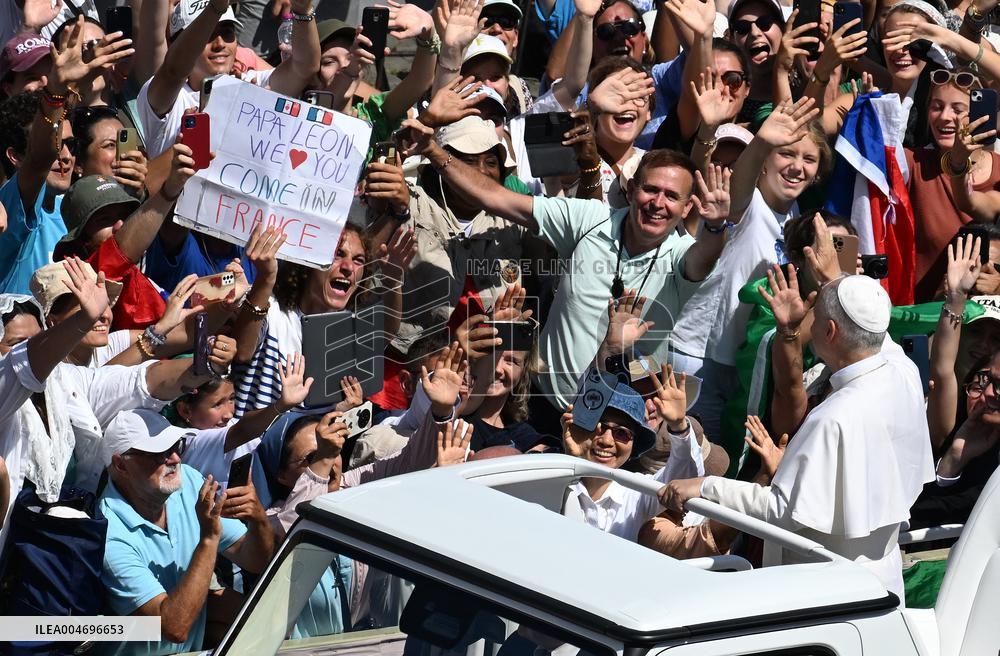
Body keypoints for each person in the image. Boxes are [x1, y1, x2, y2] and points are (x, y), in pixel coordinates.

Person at [399, 117, 733, 419]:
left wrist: (716, 227)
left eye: (672, 196)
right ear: (631, 190)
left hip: (617, 423)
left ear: (688, 206)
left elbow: (702, 258)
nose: (658, 203)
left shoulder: (680, 254)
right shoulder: (591, 219)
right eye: (650, 189)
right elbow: (498, 199)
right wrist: (432, 150)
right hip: (544, 406)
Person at [660, 275, 935, 598]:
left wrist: (704, 487)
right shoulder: (902, 370)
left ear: (830, 332)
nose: (809, 324)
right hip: (884, 580)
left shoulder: (832, 417)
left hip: (829, 592)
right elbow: (871, 330)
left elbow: (783, 511)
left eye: (814, 319)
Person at [668, 97, 826, 441]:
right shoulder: (750, 200)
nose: (797, 166)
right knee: (682, 464)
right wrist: (763, 141)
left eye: (809, 159)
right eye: (787, 153)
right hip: (697, 359)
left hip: (740, 365)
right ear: (764, 163)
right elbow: (737, 195)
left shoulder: (795, 215)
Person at [100, 408, 274, 654]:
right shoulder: (110, 534)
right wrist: (209, 540)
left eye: (176, 446)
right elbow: (174, 628)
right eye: (159, 454)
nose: (175, 459)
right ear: (120, 464)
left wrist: (258, 519)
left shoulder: (188, 481)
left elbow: (255, 560)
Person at [138, 0, 319, 159]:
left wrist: (303, 11)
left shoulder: (253, 85)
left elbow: (304, 67)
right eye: (207, 36)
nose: (220, 44)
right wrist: (215, 9)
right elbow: (173, 70)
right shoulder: (170, 98)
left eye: (227, 33)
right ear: (179, 44)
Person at [559, 362, 704, 541]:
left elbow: (687, 478)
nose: (606, 440)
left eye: (622, 434)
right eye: (597, 428)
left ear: (633, 446)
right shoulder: (551, 476)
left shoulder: (636, 492)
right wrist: (571, 461)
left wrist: (679, 425)